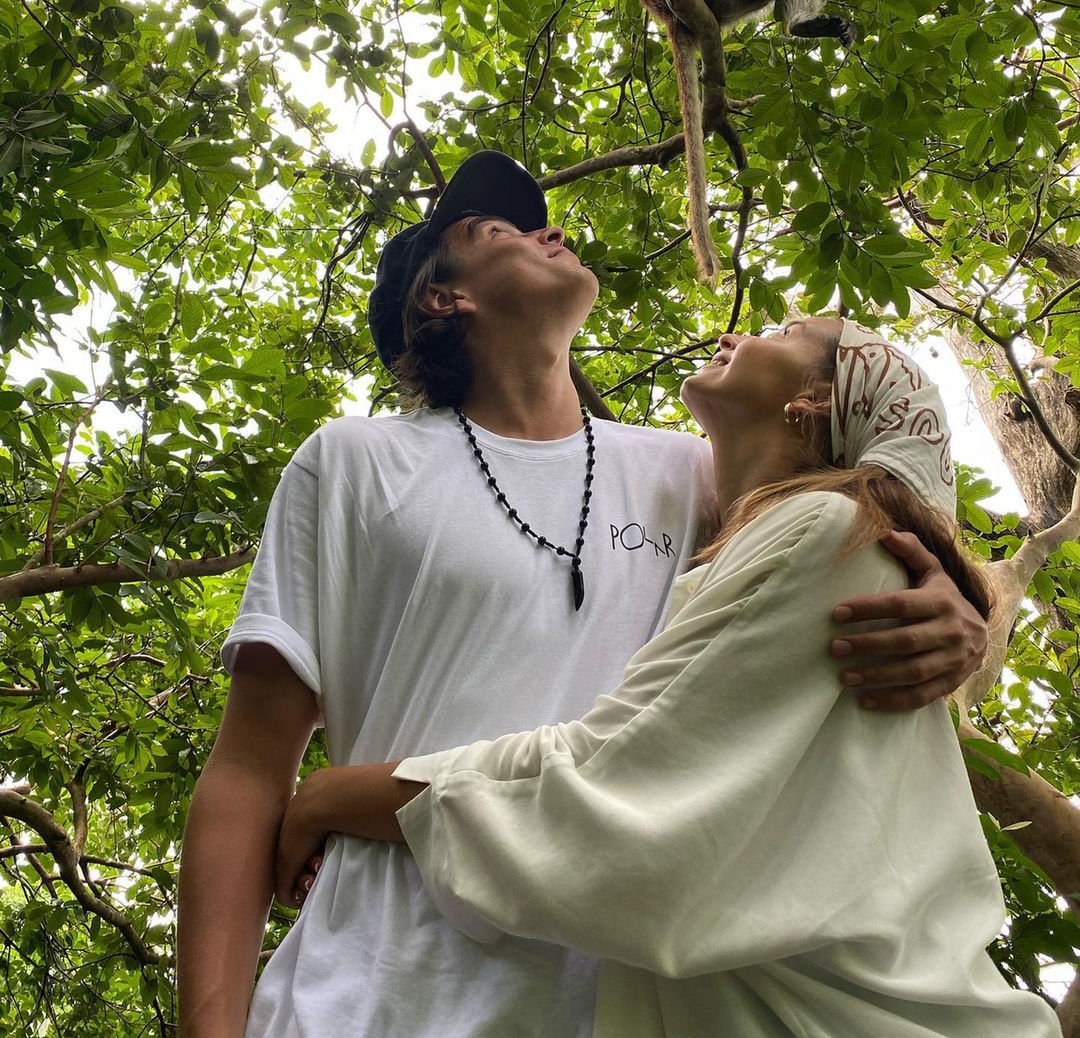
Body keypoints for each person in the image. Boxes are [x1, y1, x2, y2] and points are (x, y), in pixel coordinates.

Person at [177, 152, 990, 1038]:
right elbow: (250, 768)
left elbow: (854, 548)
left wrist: (954, 609)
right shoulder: (353, 464)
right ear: (444, 300)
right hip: (372, 990)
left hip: (618, 1001)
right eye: (501, 232)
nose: (550, 231)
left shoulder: (695, 476)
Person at [276, 315, 1059, 1036]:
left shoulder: (826, 532)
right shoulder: (753, 528)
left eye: (785, 331)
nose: (745, 330)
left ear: (815, 401)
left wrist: (339, 793)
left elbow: (615, 790)